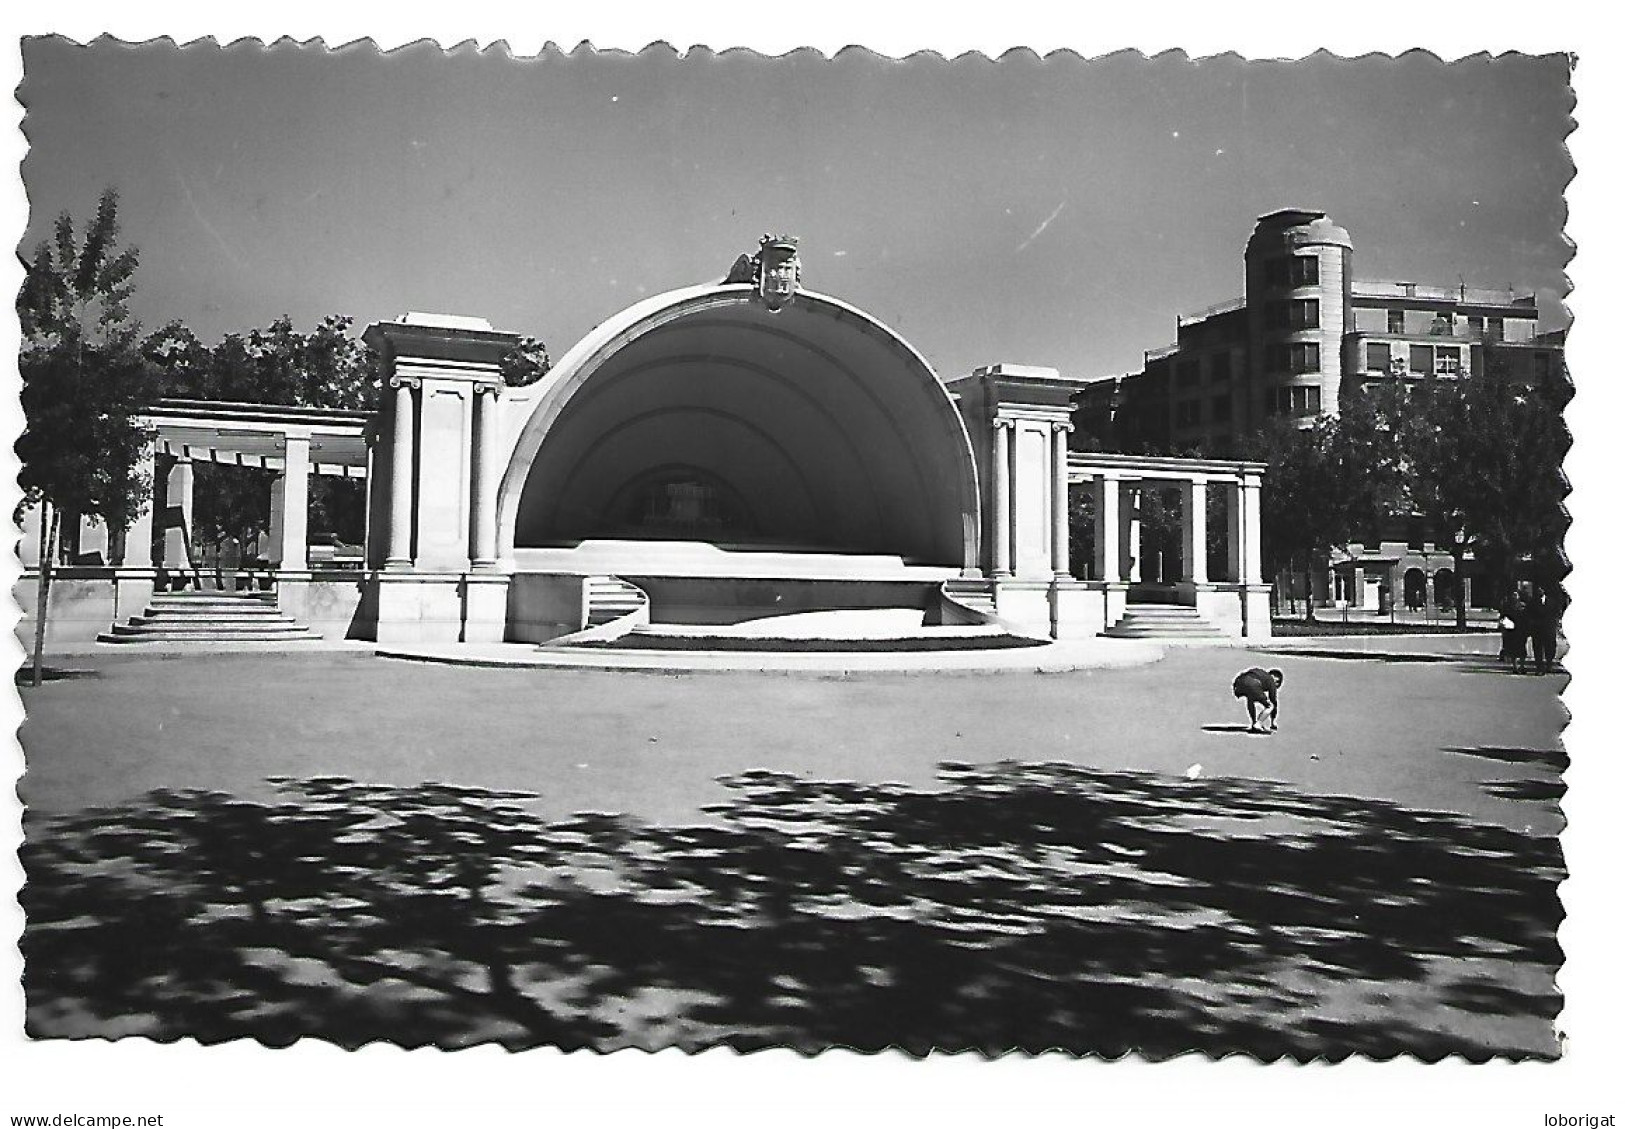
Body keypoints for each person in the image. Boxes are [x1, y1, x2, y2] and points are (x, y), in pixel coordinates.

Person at [1232, 667, 1284, 733]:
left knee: (1251, 699)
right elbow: (1274, 701)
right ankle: (1258, 724)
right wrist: (1272, 722)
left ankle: (1254, 723)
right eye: (1277, 682)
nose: (1277, 684)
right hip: (1253, 684)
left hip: (1238, 683)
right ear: (1273, 676)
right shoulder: (1270, 680)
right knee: (1270, 706)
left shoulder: (1261, 674)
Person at [1498, 588, 1526, 670]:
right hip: (1511, 630)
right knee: (1513, 649)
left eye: (1516, 595)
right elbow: (1503, 616)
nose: (1514, 597)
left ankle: (1522, 666)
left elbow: (1526, 617)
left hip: (1521, 630)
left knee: (1522, 648)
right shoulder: (1508, 606)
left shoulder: (1523, 606)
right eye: (1513, 595)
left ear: (1519, 596)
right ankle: (1515, 666)